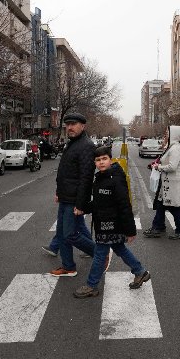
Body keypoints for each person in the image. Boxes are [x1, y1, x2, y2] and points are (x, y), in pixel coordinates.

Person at [73, 146, 150, 298]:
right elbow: (99, 203)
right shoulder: (100, 177)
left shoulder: (115, 178)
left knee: (100, 254)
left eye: (104, 159)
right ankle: (140, 272)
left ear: (110, 159)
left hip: (111, 224)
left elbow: (124, 204)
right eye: (98, 160)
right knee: (119, 249)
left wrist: (130, 230)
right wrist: (83, 208)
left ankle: (91, 285)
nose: (101, 162)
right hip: (104, 223)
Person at [45, 113, 105, 277]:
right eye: (67, 124)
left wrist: (80, 204)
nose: (69, 127)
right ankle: (68, 266)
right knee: (63, 234)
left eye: (74, 124)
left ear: (83, 126)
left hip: (74, 199)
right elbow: (65, 172)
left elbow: (86, 178)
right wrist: (59, 192)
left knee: (70, 235)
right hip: (65, 196)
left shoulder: (86, 145)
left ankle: (100, 253)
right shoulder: (72, 143)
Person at [143, 125, 180, 240]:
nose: (166, 134)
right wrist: (156, 165)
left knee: (174, 207)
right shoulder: (170, 147)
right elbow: (164, 160)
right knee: (161, 205)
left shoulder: (175, 149)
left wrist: (159, 167)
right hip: (167, 182)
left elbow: (172, 167)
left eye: (168, 132)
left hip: (172, 183)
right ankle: (158, 227)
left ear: (174, 134)